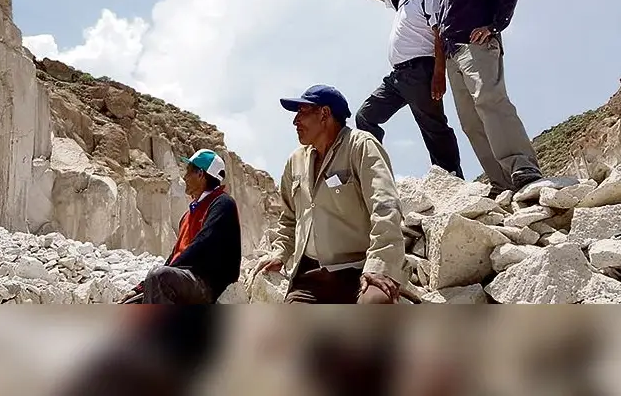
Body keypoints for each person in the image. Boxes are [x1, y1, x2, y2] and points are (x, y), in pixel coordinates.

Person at [417, 0, 544, 196]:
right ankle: (501, 182)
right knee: (470, 120)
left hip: (476, 46)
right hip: (453, 53)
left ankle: (522, 166)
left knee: (490, 101)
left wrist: (494, 24)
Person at [250, 85, 406, 304]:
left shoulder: (361, 146)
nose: (295, 121)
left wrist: (379, 265)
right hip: (310, 280)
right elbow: (288, 219)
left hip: (358, 271)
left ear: (324, 114)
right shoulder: (295, 161)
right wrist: (280, 253)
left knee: (375, 304)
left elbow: (385, 206)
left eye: (302, 112)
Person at [325, 0, 463, 179]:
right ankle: (376, 175)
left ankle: (451, 178)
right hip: (397, 76)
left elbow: (439, 34)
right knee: (366, 116)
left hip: (421, 71)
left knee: (433, 126)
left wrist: (440, 73)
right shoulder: (402, 1)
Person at [117, 148, 241, 304]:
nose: (184, 177)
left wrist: (157, 277)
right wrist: (141, 288)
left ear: (200, 174)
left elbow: (203, 244)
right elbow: (176, 256)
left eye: (188, 171)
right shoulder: (189, 214)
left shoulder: (222, 203)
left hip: (206, 283)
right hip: (184, 280)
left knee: (159, 277)